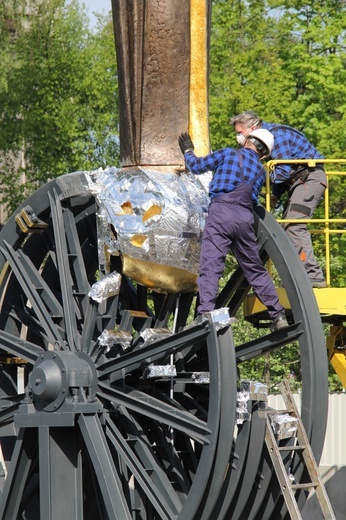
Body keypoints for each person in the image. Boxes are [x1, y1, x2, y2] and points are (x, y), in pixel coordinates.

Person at [178, 129, 288, 331]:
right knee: (255, 269)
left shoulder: (228, 153)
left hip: (221, 213)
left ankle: (205, 314)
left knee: (211, 265)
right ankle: (278, 315)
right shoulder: (260, 170)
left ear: (247, 140)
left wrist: (187, 151)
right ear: (263, 154)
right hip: (245, 218)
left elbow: (195, 166)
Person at [230, 110, 327, 288]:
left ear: (252, 128)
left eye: (240, 133)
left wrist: (256, 176)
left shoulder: (276, 136)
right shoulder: (267, 140)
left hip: (310, 178)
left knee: (294, 225)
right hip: (299, 180)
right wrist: (275, 194)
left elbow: (282, 170)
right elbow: (285, 171)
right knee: (284, 228)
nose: (238, 138)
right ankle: (299, 278)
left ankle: (313, 277)